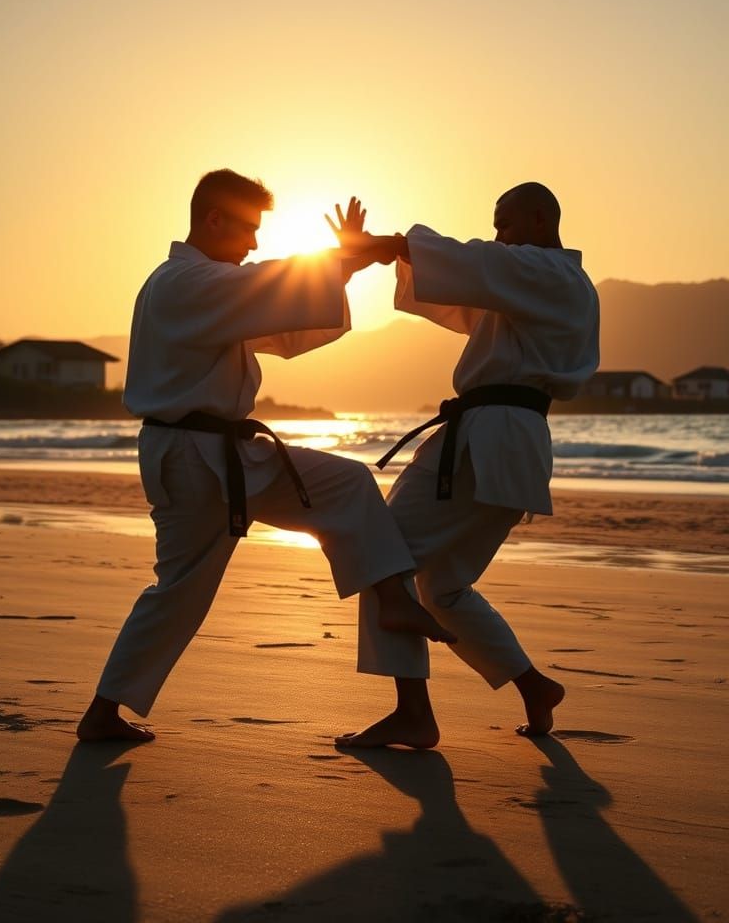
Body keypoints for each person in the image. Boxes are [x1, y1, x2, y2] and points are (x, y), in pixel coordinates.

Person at [76, 170, 454, 743]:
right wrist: (347, 256)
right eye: (248, 228)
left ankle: (408, 680)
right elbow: (268, 287)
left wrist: (346, 263)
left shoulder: (202, 285)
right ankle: (102, 713)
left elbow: (278, 314)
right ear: (213, 219)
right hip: (196, 460)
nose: (254, 243)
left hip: (223, 456)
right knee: (179, 592)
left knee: (348, 486)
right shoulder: (185, 283)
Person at [329, 182, 600, 748]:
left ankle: (413, 713)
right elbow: (465, 284)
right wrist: (393, 254)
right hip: (505, 443)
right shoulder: (530, 285)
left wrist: (390, 243)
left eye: (505, 223)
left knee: (380, 550)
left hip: (491, 437)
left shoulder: (549, 274)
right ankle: (534, 687)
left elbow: (477, 263)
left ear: (538, 219)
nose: (498, 235)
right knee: (443, 587)